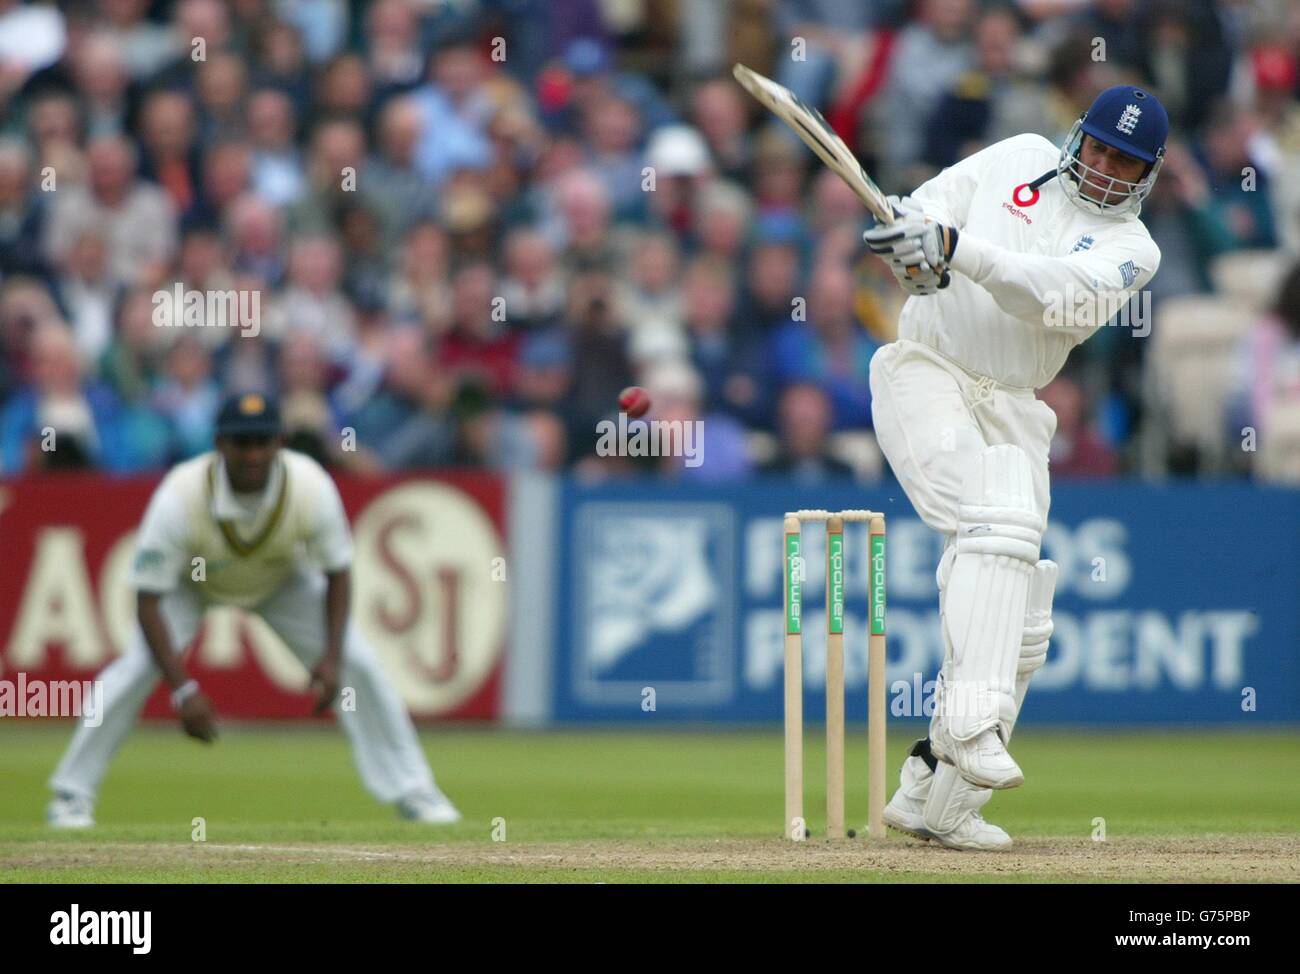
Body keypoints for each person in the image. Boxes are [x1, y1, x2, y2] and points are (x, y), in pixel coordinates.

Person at [860, 85, 1167, 849]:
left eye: (1124, 161)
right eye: (1097, 147)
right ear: (1076, 138)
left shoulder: (1134, 249)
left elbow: (1051, 298)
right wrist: (918, 258)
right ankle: (970, 722)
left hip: (1015, 403)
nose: (1103, 168)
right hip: (926, 367)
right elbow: (925, 215)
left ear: (1147, 174)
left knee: (1026, 590)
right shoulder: (1021, 157)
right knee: (993, 519)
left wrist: (955, 250)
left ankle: (937, 793)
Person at [46, 392, 460, 827]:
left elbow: (339, 571)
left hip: (280, 580)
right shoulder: (181, 494)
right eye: (242, 443)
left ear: (280, 442)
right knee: (133, 670)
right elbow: (148, 599)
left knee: (361, 664)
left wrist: (332, 659)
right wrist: (183, 690)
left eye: (263, 442)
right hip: (193, 582)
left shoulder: (310, 486)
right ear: (220, 444)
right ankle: (71, 796)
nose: (253, 454)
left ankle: (415, 791)